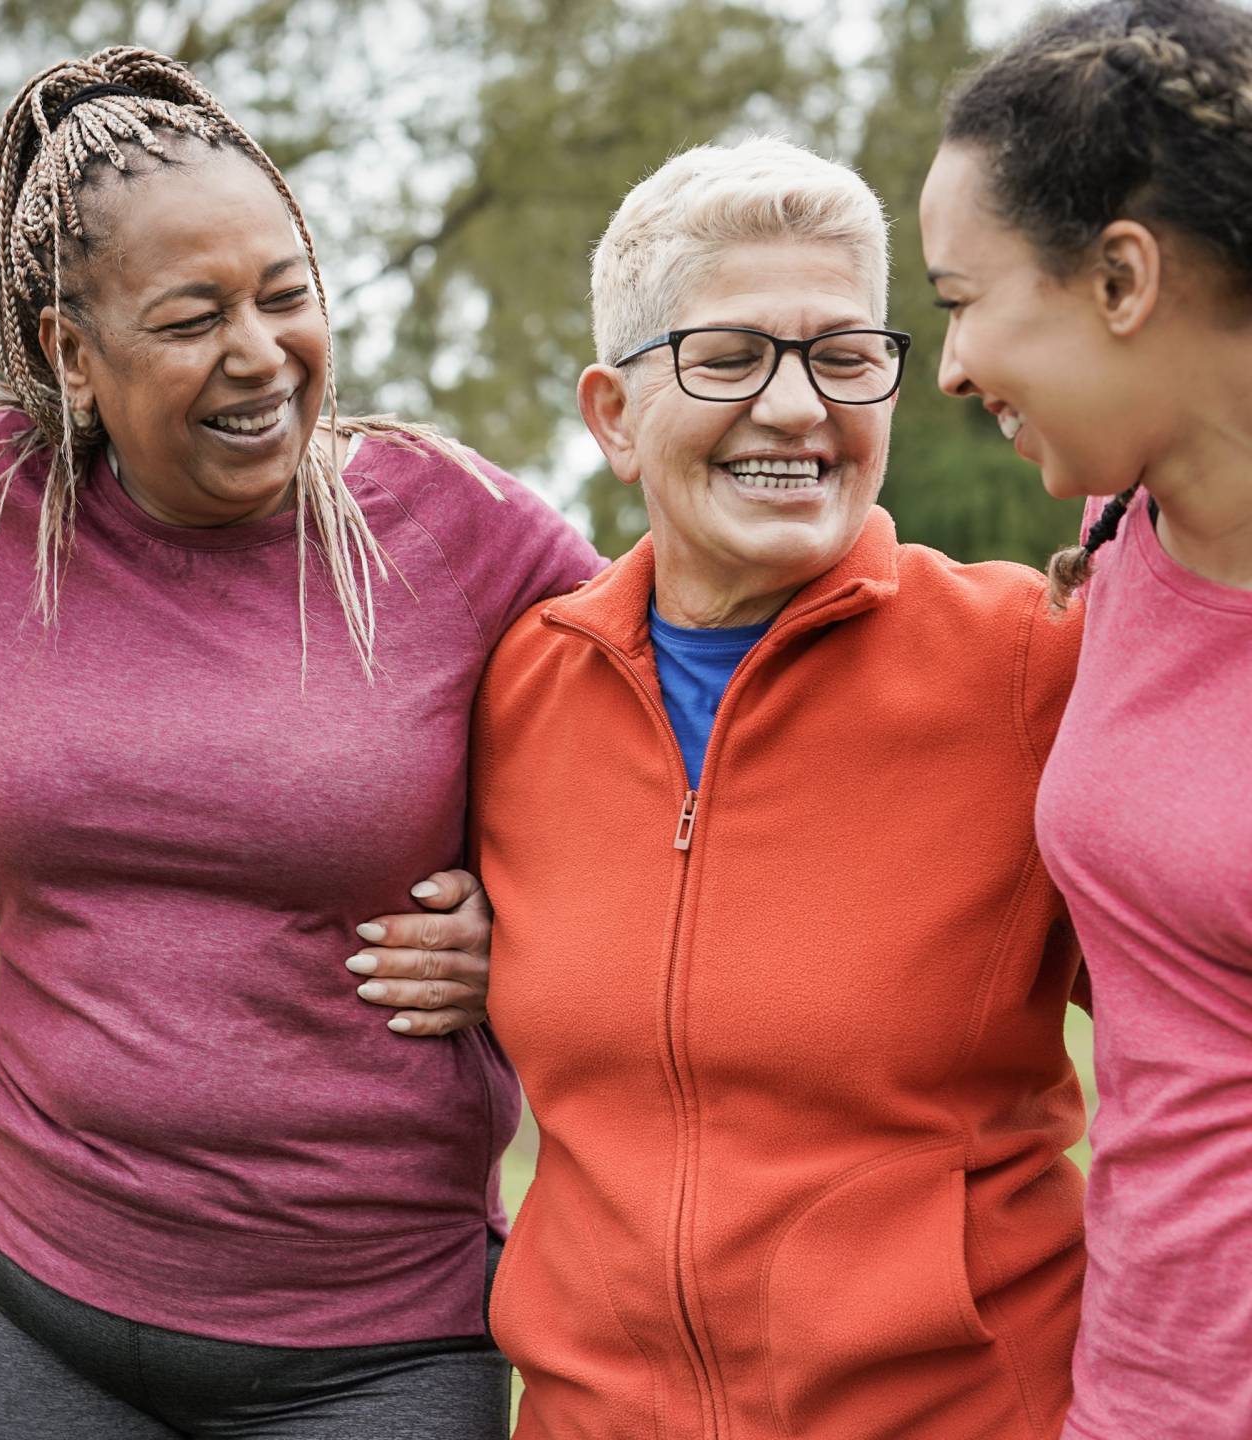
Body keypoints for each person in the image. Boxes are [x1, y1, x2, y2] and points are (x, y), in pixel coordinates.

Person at [0, 46, 602, 1439]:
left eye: (287, 295)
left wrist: (538, 927)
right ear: (74, 356)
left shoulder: (462, 530)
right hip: (32, 1300)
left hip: (375, 1342)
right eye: (193, 316)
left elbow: (689, 723)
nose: (260, 354)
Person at [474, 137, 1088, 1439]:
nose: (800, 408)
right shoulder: (512, 691)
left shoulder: (1034, 662)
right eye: (732, 357)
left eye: (844, 356)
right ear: (612, 416)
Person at [922, 4, 1252, 1435]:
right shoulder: (1119, 553)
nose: (945, 368)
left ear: (1120, 275)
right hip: (1135, 1397)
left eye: (960, 298)